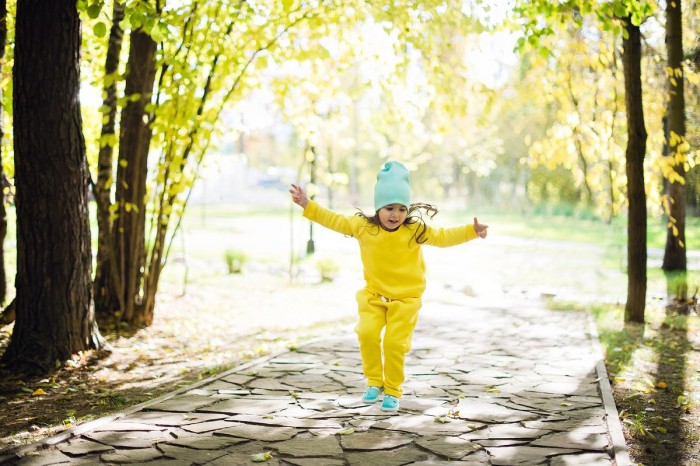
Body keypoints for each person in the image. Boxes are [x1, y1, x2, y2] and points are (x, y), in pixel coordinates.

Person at [289, 161, 488, 412]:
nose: (395, 215)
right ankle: (374, 382)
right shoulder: (363, 227)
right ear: (378, 207)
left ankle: (392, 389)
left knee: (394, 344)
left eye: (401, 209)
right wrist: (308, 205)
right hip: (374, 295)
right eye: (389, 208)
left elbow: (443, 236)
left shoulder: (415, 230)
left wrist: (472, 231)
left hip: (406, 300)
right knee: (367, 334)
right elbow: (334, 220)